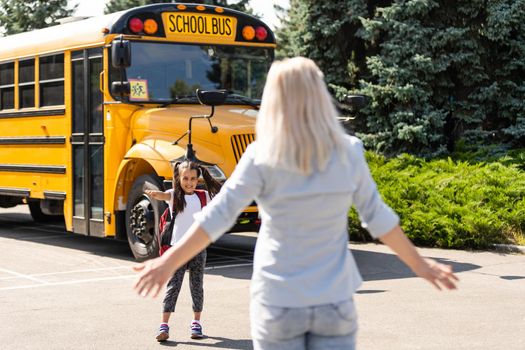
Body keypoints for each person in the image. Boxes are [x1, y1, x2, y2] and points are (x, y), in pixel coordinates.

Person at [134, 57, 459, 350]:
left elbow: (218, 215)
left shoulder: (262, 154)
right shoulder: (349, 150)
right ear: (318, 97)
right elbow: (377, 217)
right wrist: (420, 265)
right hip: (333, 302)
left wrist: (167, 262)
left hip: (277, 299)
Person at [144, 160, 221, 343]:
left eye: (193, 179)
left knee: (197, 286)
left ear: (198, 179)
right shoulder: (174, 196)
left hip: (198, 250)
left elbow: (220, 197)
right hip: (177, 250)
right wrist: (154, 194)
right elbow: (163, 196)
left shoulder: (203, 196)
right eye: (185, 178)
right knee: (173, 286)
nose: (189, 182)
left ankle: (196, 323)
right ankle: (164, 325)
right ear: (178, 178)